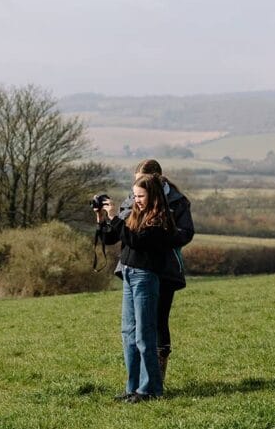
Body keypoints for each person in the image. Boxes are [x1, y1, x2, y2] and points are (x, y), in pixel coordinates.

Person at [97, 173, 177, 403]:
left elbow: (136, 240)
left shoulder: (161, 219)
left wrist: (116, 217)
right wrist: (103, 218)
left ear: (152, 195)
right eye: (134, 195)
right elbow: (112, 236)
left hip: (145, 277)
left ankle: (150, 389)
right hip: (130, 275)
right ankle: (133, 388)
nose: (136, 199)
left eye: (140, 196)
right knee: (128, 334)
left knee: (145, 334)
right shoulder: (136, 214)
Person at [115, 159, 195, 382]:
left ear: (157, 179)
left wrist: (160, 238)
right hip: (134, 265)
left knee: (158, 320)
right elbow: (121, 229)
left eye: (141, 181)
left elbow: (186, 232)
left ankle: (156, 375)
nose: (137, 188)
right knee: (133, 326)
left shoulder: (178, 202)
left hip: (165, 267)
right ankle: (141, 381)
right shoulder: (133, 198)